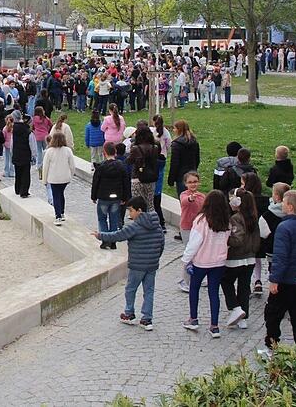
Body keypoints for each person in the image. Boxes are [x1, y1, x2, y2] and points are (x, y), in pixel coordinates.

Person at [91, 196, 164, 331]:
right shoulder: (157, 225)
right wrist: (154, 258)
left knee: (131, 289)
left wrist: (100, 235)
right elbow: (161, 244)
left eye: (131, 211)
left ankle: (129, 313)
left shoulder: (135, 227)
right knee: (149, 291)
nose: (129, 214)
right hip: (152, 265)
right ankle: (147, 319)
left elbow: (118, 236)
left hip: (137, 265)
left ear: (139, 211)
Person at [264, 190, 296, 352]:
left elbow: (280, 257)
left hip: (285, 280)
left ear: (290, 207)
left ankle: (272, 343)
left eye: (283, 203)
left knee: (272, 313)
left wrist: (274, 280)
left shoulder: (284, 227)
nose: (281, 205)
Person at [182, 190, 231, 338]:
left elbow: (194, 243)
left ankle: (193, 318)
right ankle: (214, 326)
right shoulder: (226, 221)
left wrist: (185, 260)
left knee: (194, 289)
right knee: (214, 292)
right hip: (219, 262)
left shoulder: (201, 221)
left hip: (201, 262)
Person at [221, 189, 270, 330]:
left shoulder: (236, 218)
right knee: (244, 286)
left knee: (226, 281)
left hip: (236, 258)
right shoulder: (254, 217)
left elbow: (238, 239)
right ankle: (244, 317)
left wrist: (225, 238)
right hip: (250, 258)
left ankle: (235, 307)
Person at [91, 141, 130, 249]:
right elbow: (126, 183)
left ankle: (105, 240)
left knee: (102, 219)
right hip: (116, 197)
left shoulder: (101, 167)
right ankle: (113, 241)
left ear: (104, 152)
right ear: (115, 152)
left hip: (103, 197)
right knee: (114, 219)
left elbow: (95, 183)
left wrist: (93, 196)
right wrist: (125, 197)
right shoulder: (121, 166)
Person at [41, 130, 75, 225]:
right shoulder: (68, 150)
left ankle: (58, 216)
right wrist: (70, 175)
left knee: (56, 196)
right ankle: (62, 212)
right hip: (65, 178)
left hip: (54, 178)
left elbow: (45, 167)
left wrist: (44, 180)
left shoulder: (49, 151)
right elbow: (72, 166)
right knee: (61, 194)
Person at [168, 120, 200, 196]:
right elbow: (197, 159)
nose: (173, 130)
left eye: (175, 128)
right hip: (192, 173)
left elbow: (174, 163)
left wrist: (171, 179)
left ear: (179, 130)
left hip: (181, 176)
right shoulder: (194, 142)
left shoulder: (176, 144)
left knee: (183, 199)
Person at [11, 111, 33, 198]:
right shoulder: (27, 130)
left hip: (16, 153)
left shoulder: (14, 129)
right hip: (25, 154)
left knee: (18, 172)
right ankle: (24, 191)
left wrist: (12, 152)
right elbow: (32, 144)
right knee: (25, 173)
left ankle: (17, 188)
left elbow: (12, 143)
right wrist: (34, 155)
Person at [32, 106, 52, 172]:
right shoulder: (46, 118)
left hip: (37, 136)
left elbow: (33, 127)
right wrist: (48, 131)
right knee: (46, 150)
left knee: (39, 151)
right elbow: (51, 125)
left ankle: (39, 165)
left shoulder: (34, 119)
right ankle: (46, 164)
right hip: (45, 135)